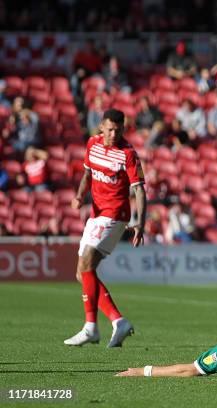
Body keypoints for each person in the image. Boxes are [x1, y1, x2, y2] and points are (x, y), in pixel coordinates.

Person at [64, 109, 146, 348]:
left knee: (87, 262)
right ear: (101, 127)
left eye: (118, 130)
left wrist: (140, 222)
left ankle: (91, 327)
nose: (113, 134)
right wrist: (79, 196)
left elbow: (139, 189)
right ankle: (118, 320)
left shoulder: (128, 154)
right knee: (82, 273)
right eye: (110, 129)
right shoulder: (92, 144)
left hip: (115, 216)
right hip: (95, 215)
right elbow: (87, 174)